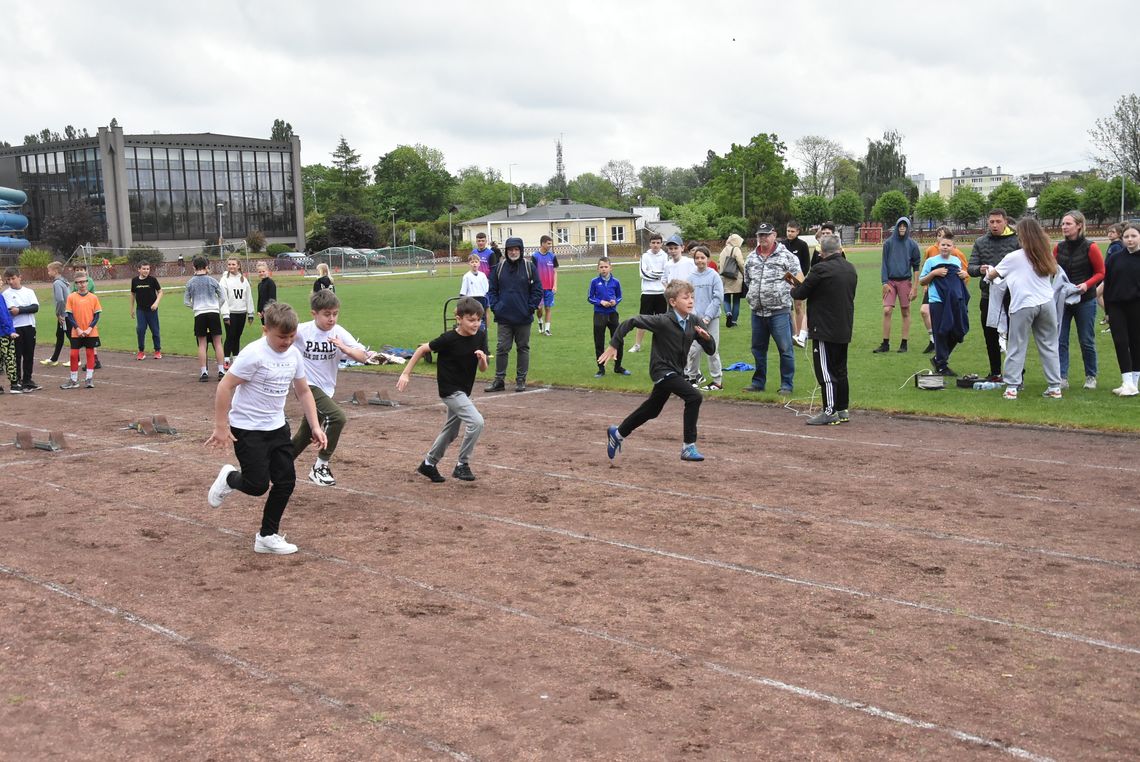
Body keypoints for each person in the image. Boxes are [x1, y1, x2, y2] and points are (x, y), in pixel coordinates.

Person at [206, 302, 327, 556]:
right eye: (281, 337)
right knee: (257, 485)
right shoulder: (254, 354)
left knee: (286, 481)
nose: (287, 342)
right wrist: (220, 426)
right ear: (266, 330)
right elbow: (224, 387)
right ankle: (229, 478)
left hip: (277, 427)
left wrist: (315, 425)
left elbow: (303, 391)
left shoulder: (294, 354)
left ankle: (267, 536)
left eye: (292, 337)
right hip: (247, 428)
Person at [600, 279, 716, 463]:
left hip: (676, 372)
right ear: (672, 302)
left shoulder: (694, 320)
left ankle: (618, 433)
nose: (691, 300)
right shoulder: (662, 320)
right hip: (661, 369)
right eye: (686, 297)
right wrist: (614, 344)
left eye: (692, 297)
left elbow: (710, 350)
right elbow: (630, 322)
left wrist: (706, 338)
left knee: (652, 409)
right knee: (694, 396)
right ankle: (688, 447)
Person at [398, 296, 489, 483]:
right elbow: (422, 349)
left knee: (451, 431)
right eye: (471, 320)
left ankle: (429, 464)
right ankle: (462, 464)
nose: (475, 324)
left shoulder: (480, 336)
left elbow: (483, 369)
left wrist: (482, 359)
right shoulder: (448, 338)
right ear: (459, 319)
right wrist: (406, 373)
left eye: (478, 320)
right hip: (450, 390)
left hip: (464, 390)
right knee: (477, 422)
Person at [291, 289, 373, 486]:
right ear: (314, 313)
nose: (332, 318)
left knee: (304, 436)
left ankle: (275, 465)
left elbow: (363, 357)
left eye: (335, 313)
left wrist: (345, 348)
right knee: (337, 417)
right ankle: (320, 466)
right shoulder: (303, 331)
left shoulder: (339, 332)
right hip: (307, 386)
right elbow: (276, 338)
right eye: (327, 314)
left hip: (326, 389)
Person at [982, 218, 1063, 400]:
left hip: (1023, 304)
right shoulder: (1045, 254)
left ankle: (1012, 387)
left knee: (1017, 345)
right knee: (1049, 345)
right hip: (1047, 303)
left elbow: (993, 274)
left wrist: (988, 271)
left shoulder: (1014, 257)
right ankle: (1054, 386)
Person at [789, 234, 858, 425]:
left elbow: (800, 293)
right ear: (840, 249)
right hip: (844, 326)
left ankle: (829, 411)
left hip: (824, 328)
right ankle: (842, 409)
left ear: (821, 251)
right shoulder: (850, 268)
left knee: (825, 371)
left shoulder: (820, 269)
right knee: (840, 369)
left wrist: (793, 285)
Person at [742, 222, 800, 394]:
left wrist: (782, 293)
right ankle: (758, 382)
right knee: (758, 349)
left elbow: (797, 281)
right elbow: (748, 280)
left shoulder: (787, 257)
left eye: (766, 234)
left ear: (774, 235)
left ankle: (786, 384)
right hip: (757, 312)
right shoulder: (751, 257)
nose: (763, 238)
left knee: (785, 348)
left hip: (779, 311)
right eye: (760, 235)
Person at [968, 209, 1021, 381]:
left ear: (1005, 221)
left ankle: (1017, 373)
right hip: (988, 296)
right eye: (991, 222)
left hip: (1012, 295)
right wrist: (980, 269)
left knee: (1014, 336)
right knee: (990, 335)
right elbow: (970, 267)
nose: (995, 225)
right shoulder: (980, 242)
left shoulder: (1017, 240)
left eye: (998, 221)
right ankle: (995, 372)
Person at [1054, 209, 1104, 390]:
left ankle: (1091, 376)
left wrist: (1086, 284)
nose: (1064, 227)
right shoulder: (1059, 247)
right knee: (1060, 339)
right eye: (1063, 224)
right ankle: (1061, 376)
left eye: (1068, 224)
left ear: (1079, 226)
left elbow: (1101, 272)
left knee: (1086, 340)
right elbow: (1052, 269)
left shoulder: (1091, 247)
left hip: (1085, 300)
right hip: (1063, 301)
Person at [485, 236, 542, 392]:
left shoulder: (530, 267)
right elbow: (492, 290)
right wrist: (497, 307)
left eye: (516, 249)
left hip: (524, 317)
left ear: (521, 250)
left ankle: (521, 380)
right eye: (510, 249)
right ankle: (499, 380)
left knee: (523, 348)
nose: (513, 252)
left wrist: (530, 308)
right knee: (502, 348)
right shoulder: (499, 268)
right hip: (504, 317)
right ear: (506, 251)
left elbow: (537, 290)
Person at [919, 230, 971, 376]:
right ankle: (942, 365)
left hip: (954, 301)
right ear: (938, 245)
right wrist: (934, 273)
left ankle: (938, 358)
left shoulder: (956, 261)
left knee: (958, 331)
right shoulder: (931, 262)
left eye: (949, 245)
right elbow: (922, 280)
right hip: (937, 301)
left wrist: (964, 275)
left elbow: (960, 279)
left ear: (953, 247)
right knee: (941, 332)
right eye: (943, 244)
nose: (945, 247)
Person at [1102, 223, 1140, 396]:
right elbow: (1108, 284)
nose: (1130, 240)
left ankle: (1134, 382)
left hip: (1136, 306)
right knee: (1120, 341)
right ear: (1122, 239)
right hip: (1116, 305)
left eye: (1133, 236)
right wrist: (1108, 309)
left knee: (1136, 342)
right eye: (1127, 237)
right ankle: (1126, 381)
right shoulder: (1115, 258)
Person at [873, 216, 920, 353]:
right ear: (897, 226)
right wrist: (884, 282)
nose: (902, 228)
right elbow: (885, 264)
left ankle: (904, 343)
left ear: (908, 228)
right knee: (887, 310)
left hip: (905, 281)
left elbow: (916, 267)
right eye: (900, 225)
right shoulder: (888, 243)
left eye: (905, 226)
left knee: (905, 311)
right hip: (890, 282)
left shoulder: (912, 245)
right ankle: (885, 344)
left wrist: (915, 287)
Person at [685, 246, 724, 390]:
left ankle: (717, 381)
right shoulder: (690, 278)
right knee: (693, 350)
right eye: (697, 258)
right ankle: (692, 377)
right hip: (695, 320)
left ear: (707, 259)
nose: (700, 260)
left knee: (712, 350)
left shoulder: (713, 275)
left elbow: (718, 297)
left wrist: (707, 317)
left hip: (711, 319)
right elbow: (689, 298)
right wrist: (695, 316)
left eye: (702, 257)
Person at [184, 255, 227, 382]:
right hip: (213, 312)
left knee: (202, 344)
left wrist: (196, 307)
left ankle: (204, 373)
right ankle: (221, 371)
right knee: (218, 343)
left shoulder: (190, 282)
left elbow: (186, 301)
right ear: (207, 266)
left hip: (199, 314)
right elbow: (223, 297)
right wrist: (216, 307)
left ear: (194, 266)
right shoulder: (212, 280)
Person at [587, 256, 629, 378]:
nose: (604, 269)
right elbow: (590, 297)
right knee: (599, 342)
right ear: (598, 269)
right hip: (599, 314)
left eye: (606, 267)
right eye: (601, 267)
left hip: (612, 314)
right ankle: (601, 369)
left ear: (611, 268)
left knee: (618, 340)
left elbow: (620, 296)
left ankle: (618, 367)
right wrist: (600, 302)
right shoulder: (594, 282)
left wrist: (615, 301)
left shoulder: (616, 282)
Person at [60, 274, 102, 389]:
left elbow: (97, 315)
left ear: (87, 282)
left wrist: (89, 329)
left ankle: (89, 378)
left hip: (91, 331)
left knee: (90, 353)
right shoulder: (71, 297)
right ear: (75, 284)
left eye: (84, 282)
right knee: (73, 355)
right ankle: (73, 379)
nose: (82, 284)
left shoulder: (93, 297)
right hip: (76, 331)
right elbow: (69, 314)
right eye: (79, 282)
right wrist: (77, 328)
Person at [2, 267, 40, 393]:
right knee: (16, 355)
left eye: (13, 278)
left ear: (20, 277)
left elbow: (35, 307)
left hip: (29, 326)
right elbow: (9, 311)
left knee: (29, 354)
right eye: (8, 279)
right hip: (15, 328)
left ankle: (27, 380)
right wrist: (18, 310)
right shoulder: (5, 294)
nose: (11, 282)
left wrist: (20, 310)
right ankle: (17, 380)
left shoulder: (29, 292)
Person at [631, 232, 668, 352]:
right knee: (643, 320)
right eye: (653, 243)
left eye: (658, 243)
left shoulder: (665, 256)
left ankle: (661, 345)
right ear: (650, 244)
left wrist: (653, 273)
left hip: (661, 292)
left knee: (662, 321)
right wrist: (658, 275)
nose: (656, 245)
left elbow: (666, 273)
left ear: (661, 244)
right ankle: (637, 345)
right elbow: (643, 274)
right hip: (647, 292)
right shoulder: (645, 256)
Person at [782, 221, 811, 347]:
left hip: (797, 282)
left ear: (798, 232)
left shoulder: (802, 245)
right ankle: (793, 334)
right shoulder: (781, 245)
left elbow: (805, 265)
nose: (790, 233)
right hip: (784, 281)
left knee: (798, 306)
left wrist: (796, 281)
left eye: (792, 231)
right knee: (788, 308)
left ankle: (801, 334)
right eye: (788, 230)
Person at [220, 257, 253, 368]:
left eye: (233, 264)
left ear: (238, 266)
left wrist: (250, 313)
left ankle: (236, 359)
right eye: (229, 264)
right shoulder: (224, 280)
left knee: (237, 336)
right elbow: (223, 299)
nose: (231, 266)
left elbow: (248, 297)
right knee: (230, 336)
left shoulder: (244, 279)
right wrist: (225, 315)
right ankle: (226, 360)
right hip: (231, 313)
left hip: (242, 312)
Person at [129, 261, 163, 360]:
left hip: (152, 310)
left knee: (155, 331)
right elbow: (132, 294)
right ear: (139, 269)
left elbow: (160, 292)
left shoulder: (153, 280)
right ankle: (141, 351)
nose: (146, 271)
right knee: (140, 330)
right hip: (141, 310)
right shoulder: (134, 281)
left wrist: (156, 303)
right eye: (144, 269)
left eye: (148, 269)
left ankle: (157, 351)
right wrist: (131, 308)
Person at [70, 265, 102, 370]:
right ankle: (74, 377)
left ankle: (94, 361)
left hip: (88, 316)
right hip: (77, 320)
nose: (82, 284)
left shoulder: (91, 291)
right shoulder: (72, 295)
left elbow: (96, 313)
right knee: (74, 352)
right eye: (77, 270)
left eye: (81, 270)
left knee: (90, 346)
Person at [41, 261, 70, 366]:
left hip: (64, 314)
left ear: (55, 271)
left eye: (49, 270)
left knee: (69, 335)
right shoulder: (64, 281)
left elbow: (60, 300)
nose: (48, 272)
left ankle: (76, 359)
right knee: (60, 335)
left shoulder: (57, 283)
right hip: (67, 312)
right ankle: (54, 358)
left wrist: (59, 314)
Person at [532, 235, 559, 335]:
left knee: (548, 307)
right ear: (542, 243)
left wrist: (555, 285)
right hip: (538, 288)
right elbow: (533, 273)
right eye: (548, 243)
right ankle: (540, 321)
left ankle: (547, 329)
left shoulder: (552, 256)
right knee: (539, 308)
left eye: (550, 243)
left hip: (549, 287)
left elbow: (555, 271)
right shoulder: (535, 256)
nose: (550, 245)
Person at [718, 233, 746, 327]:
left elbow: (720, 264)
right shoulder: (736, 249)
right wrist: (745, 273)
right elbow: (741, 263)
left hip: (724, 278)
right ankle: (733, 321)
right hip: (735, 278)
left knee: (726, 299)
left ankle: (728, 313)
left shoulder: (723, 250)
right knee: (736, 300)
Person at [0, 285, 15, 393]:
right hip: (3, 334)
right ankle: (14, 384)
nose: (1, 282)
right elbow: (3, 316)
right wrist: (10, 331)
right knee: (9, 358)